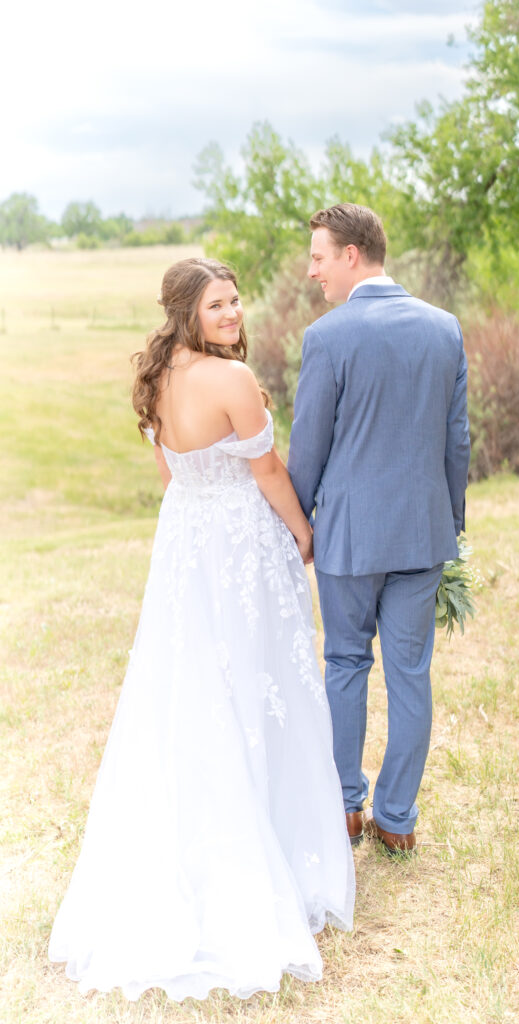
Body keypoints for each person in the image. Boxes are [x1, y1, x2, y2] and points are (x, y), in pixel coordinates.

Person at [49, 257, 354, 1001]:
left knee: (190, 691)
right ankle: (263, 856)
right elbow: (269, 473)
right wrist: (303, 537)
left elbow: (170, 479)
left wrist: (199, 514)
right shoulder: (233, 382)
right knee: (252, 686)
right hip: (240, 549)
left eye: (236, 300)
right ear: (187, 312)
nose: (234, 313)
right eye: (218, 304)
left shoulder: (155, 382)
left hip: (185, 546)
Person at [287, 204, 470, 856]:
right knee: (410, 675)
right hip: (421, 535)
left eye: (318, 257)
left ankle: (343, 810)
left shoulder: (328, 337)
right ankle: (396, 817)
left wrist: (294, 526)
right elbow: (456, 444)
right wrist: (449, 526)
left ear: (351, 256)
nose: (312, 272)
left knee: (343, 664)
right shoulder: (443, 329)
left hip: (349, 538)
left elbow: (307, 449)